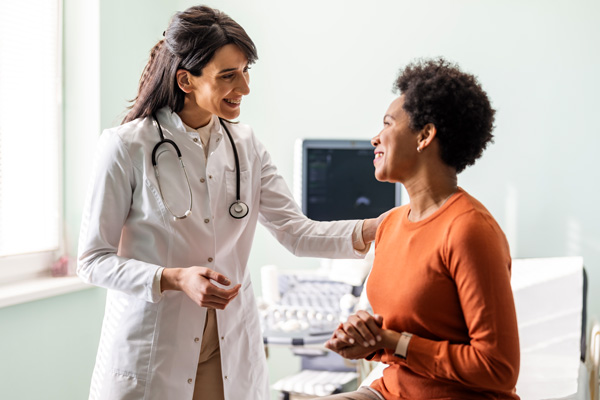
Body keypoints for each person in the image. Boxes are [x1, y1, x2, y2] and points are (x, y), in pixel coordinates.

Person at [77, 5, 385, 400]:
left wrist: (385, 226)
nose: (244, 88)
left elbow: (296, 232)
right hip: (155, 352)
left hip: (229, 351)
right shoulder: (126, 146)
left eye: (245, 71)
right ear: (186, 80)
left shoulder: (246, 145)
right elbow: (93, 260)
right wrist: (174, 278)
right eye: (228, 76)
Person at [323, 58, 520, 399]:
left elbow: (498, 368)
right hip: (393, 391)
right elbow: (398, 331)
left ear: (425, 135)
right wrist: (365, 338)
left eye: (387, 124)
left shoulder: (469, 230)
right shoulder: (391, 224)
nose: (375, 138)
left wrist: (392, 343)